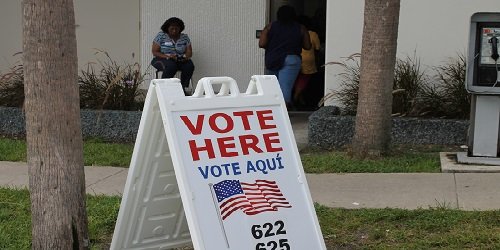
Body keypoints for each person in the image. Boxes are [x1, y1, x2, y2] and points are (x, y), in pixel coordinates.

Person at [259, 5, 311, 107]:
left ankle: (273, 109)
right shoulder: (301, 28)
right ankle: (284, 111)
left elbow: (262, 43)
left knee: (272, 86)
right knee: (285, 86)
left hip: (272, 58)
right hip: (292, 58)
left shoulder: (270, 26)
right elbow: (307, 46)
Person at [151, 17, 194, 92]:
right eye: (172, 29)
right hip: (161, 58)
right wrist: (167, 56)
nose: (174, 31)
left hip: (179, 59)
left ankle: (182, 89)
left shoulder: (184, 37)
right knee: (171, 66)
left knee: (189, 66)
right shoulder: (161, 36)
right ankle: (164, 90)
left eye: (176, 29)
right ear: (167, 28)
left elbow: (189, 51)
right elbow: (155, 51)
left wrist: (186, 56)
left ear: (180, 28)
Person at [293, 16, 321, 108]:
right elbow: (317, 50)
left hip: (295, 58)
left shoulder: (294, 33)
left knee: (296, 79)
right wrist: (317, 62)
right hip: (308, 60)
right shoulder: (313, 34)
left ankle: (300, 100)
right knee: (303, 80)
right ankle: (295, 99)